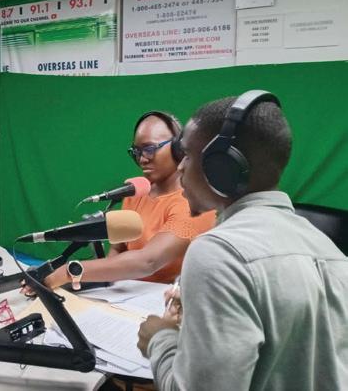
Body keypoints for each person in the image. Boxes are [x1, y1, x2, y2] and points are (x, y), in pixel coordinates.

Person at [137, 91, 348, 390]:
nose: (180, 167)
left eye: (187, 155)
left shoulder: (218, 252)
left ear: (222, 166)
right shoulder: (330, 251)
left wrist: (160, 338)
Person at [40, 111, 216, 290]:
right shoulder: (137, 190)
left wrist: (69, 272)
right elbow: (118, 249)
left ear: (178, 148)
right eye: (136, 152)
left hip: (169, 299)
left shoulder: (195, 203)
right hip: (124, 295)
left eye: (149, 149)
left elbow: (148, 261)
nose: (142, 159)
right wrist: (95, 282)